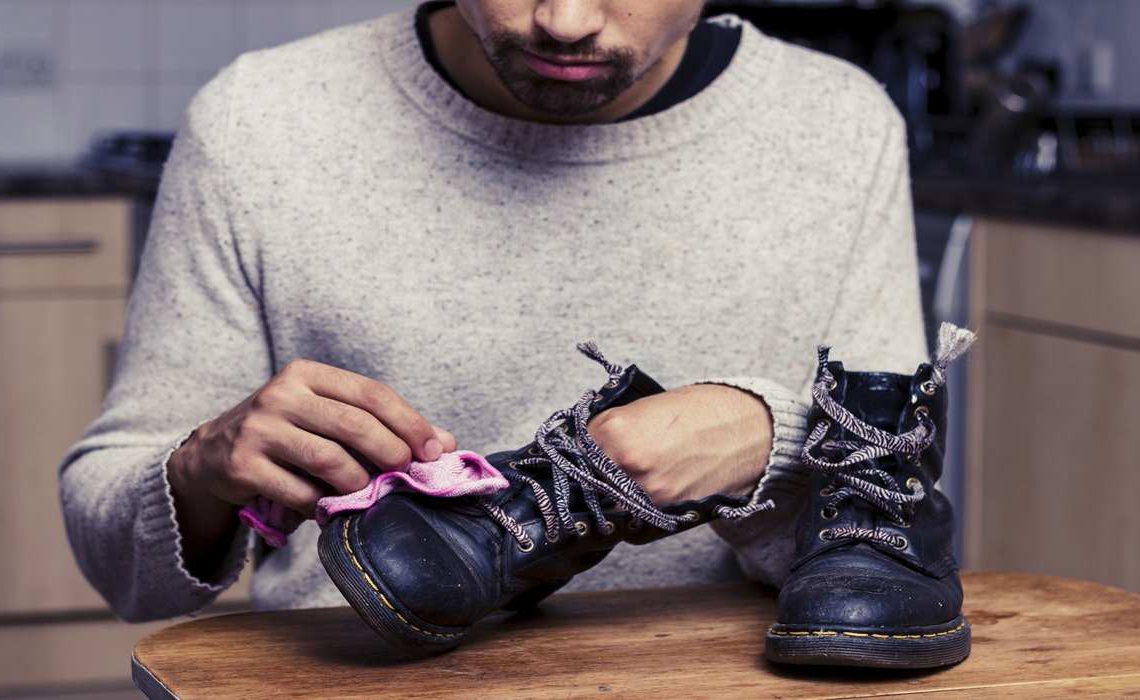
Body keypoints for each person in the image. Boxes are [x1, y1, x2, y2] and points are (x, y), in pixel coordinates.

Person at [59, 0, 926, 622]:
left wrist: (765, 435)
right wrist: (201, 468)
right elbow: (123, 576)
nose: (566, 20)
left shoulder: (836, 125)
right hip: (358, 684)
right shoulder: (261, 122)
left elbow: (894, 523)